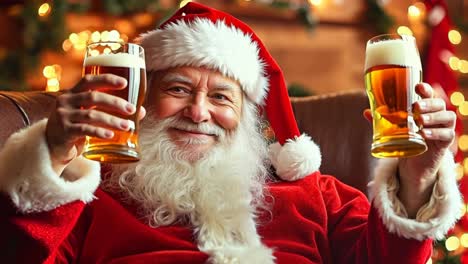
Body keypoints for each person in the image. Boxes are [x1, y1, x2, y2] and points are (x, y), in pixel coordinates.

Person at [0, 2, 462, 264]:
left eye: (222, 97)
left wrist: (418, 176)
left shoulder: (319, 196)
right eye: (178, 89)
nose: (199, 111)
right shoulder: (91, 201)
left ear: (248, 119)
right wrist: (53, 155)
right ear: (142, 101)